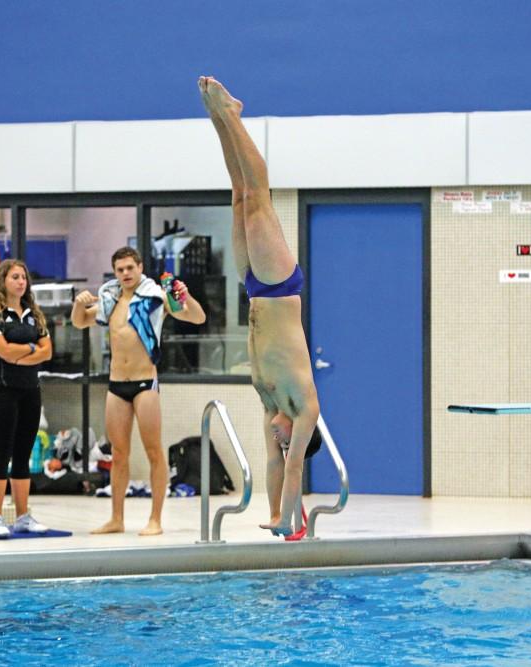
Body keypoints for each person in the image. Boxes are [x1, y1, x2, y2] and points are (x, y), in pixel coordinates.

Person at [199, 76, 321, 537]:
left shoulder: (271, 399)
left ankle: (218, 121)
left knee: (238, 199)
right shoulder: (305, 405)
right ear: (299, 442)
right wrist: (291, 519)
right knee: (258, 200)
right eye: (284, 441)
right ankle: (231, 113)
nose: (277, 439)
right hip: (279, 285)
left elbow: (273, 463)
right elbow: (290, 471)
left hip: (254, 288)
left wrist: (273, 518)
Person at [71, 246, 206, 535]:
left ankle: (155, 519)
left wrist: (186, 296)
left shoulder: (155, 297)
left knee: (154, 451)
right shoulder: (111, 301)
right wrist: (78, 304)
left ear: (140, 267)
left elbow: (197, 318)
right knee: (118, 453)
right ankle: (116, 518)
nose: (125, 274)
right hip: (117, 384)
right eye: (120, 270)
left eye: (130, 268)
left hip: (145, 383)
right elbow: (80, 321)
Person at [0, 259, 53, 538]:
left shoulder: (35, 314)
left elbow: (47, 352)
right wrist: (31, 349)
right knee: (1, 454)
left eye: (24, 277)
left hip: (29, 390)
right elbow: (4, 353)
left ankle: (23, 515)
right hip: (2, 390)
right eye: (15, 277)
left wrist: (22, 351)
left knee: (23, 455)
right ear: (2, 281)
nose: (21, 282)